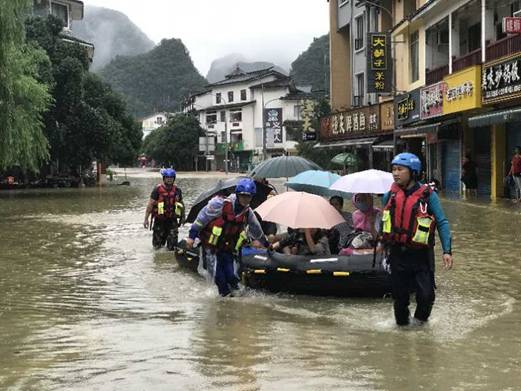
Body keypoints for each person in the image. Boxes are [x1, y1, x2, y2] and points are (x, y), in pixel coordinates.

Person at [381, 152, 453, 326]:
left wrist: (447, 251)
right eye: (393, 169)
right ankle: (402, 335)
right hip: (398, 253)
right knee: (400, 299)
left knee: (426, 295)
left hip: (421, 255)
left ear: (412, 172)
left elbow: (442, 222)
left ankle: (421, 325)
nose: (395, 173)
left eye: (400, 169)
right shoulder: (389, 195)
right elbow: (384, 220)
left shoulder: (428, 196)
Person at [185, 178, 269, 297]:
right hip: (211, 248)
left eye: (249, 197)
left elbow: (257, 230)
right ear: (238, 194)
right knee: (219, 277)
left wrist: (266, 245)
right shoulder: (219, 204)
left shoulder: (247, 212)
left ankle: (234, 297)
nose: (246, 199)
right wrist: (191, 237)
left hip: (227, 248)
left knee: (231, 275)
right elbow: (200, 220)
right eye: (243, 196)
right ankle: (225, 302)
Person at [143, 168, 184, 250]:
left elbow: (181, 204)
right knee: (157, 246)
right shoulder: (157, 190)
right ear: (164, 178)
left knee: (172, 246)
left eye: (171, 178)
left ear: (174, 179)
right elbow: (150, 204)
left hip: (172, 220)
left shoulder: (177, 190)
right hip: (159, 220)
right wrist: (146, 219)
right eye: (167, 178)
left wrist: (183, 217)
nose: (169, 179)